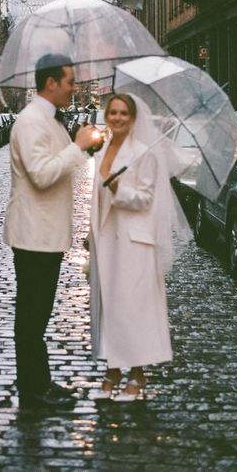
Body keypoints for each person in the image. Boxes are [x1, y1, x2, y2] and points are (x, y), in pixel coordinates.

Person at [3, 53, 99, 411]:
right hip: (33, 237)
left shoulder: (50, 121)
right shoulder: (31, 122)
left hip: (46, 235)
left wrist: (81, 145)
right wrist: (79, 147)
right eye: (70, 81)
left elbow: (62, 163)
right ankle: (33, 391)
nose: (75, 88)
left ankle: (40, 382)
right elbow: (42, 175)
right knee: (31, 317)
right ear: (51, 83)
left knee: (37, 315)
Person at [89, 93, 191, 401]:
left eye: (123, 113)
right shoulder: (105, 147)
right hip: (107, 240)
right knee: (110, 307)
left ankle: (136, 375)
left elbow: (146, 199)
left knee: (133, 309)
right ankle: (113, 371)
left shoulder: (143, 153)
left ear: (133, 119)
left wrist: (119, 187)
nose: (117, 118)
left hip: (134, 242)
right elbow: (98, 198)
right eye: (113, 112)